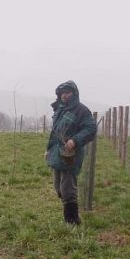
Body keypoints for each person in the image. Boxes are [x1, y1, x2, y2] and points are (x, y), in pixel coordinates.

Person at [45, 81, 97, 225]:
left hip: (70, 155)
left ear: (74, 93)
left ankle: (72, 221)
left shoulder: (81, 111)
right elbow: (54, 133)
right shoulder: (60, 110)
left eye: (67, 93)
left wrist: (75, 140)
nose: (64, 96)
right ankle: (68, 209)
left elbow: (91, 129)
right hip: (57, 153)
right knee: (58, 186)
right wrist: (48, 149)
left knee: (67, 188)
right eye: (62, 93)